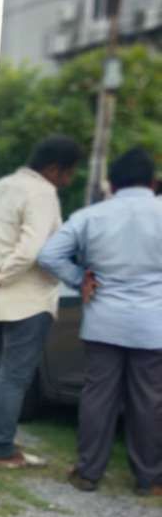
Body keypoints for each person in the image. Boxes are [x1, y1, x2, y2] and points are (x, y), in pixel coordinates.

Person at [38, 148, 162, 496]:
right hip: (153, 325)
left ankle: (89, 473)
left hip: (104, 321)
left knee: (98, 398)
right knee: (150, 400)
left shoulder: (93, 216)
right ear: (152, 182)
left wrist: (79, 278)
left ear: (113, 184)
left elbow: (48, 255)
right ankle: (149, 479)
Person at [0, 135, 83, 469]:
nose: (68, 180)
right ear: (54, 168)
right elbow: (34, 250)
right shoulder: (42, 193)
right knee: (14, 376)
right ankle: (2, 449)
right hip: (28, 300)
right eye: (69, 173)